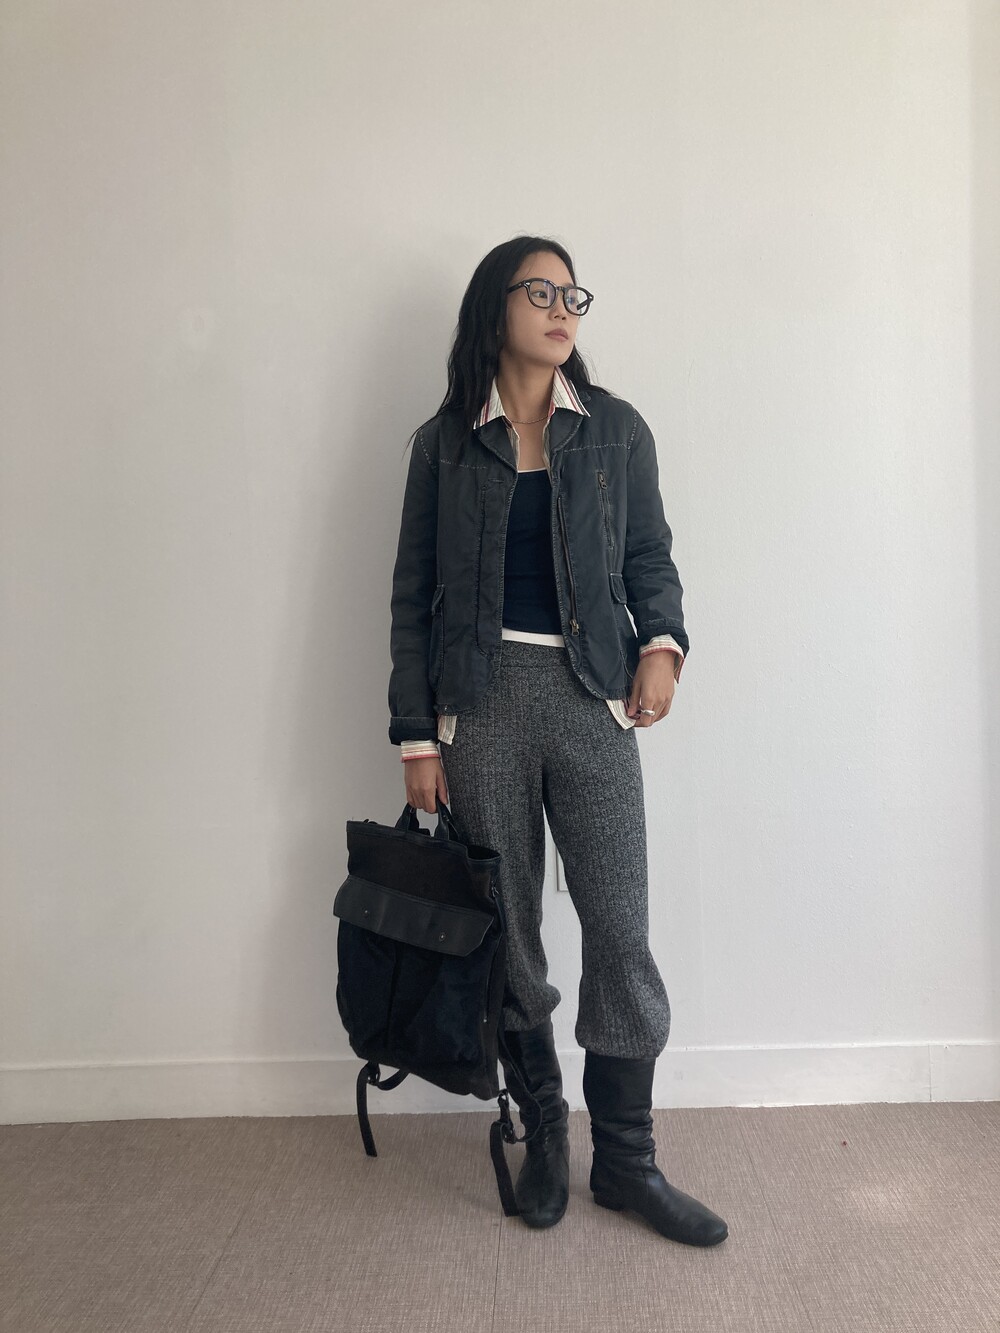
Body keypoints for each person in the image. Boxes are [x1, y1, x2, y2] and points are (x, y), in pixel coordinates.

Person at [387, 235, 728, 1247]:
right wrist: (416, 737)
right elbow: (412, 597)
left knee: (620, 927)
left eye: (572, 294)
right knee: (510, 933)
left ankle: (626, 1161)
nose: (561, 308)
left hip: (591, 699)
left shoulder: (615, 430)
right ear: (494, 308)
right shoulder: (444, 443)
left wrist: (662, 647)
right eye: (540, 291)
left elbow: (649, 555)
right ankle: (544, 1135)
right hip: (481, 704)